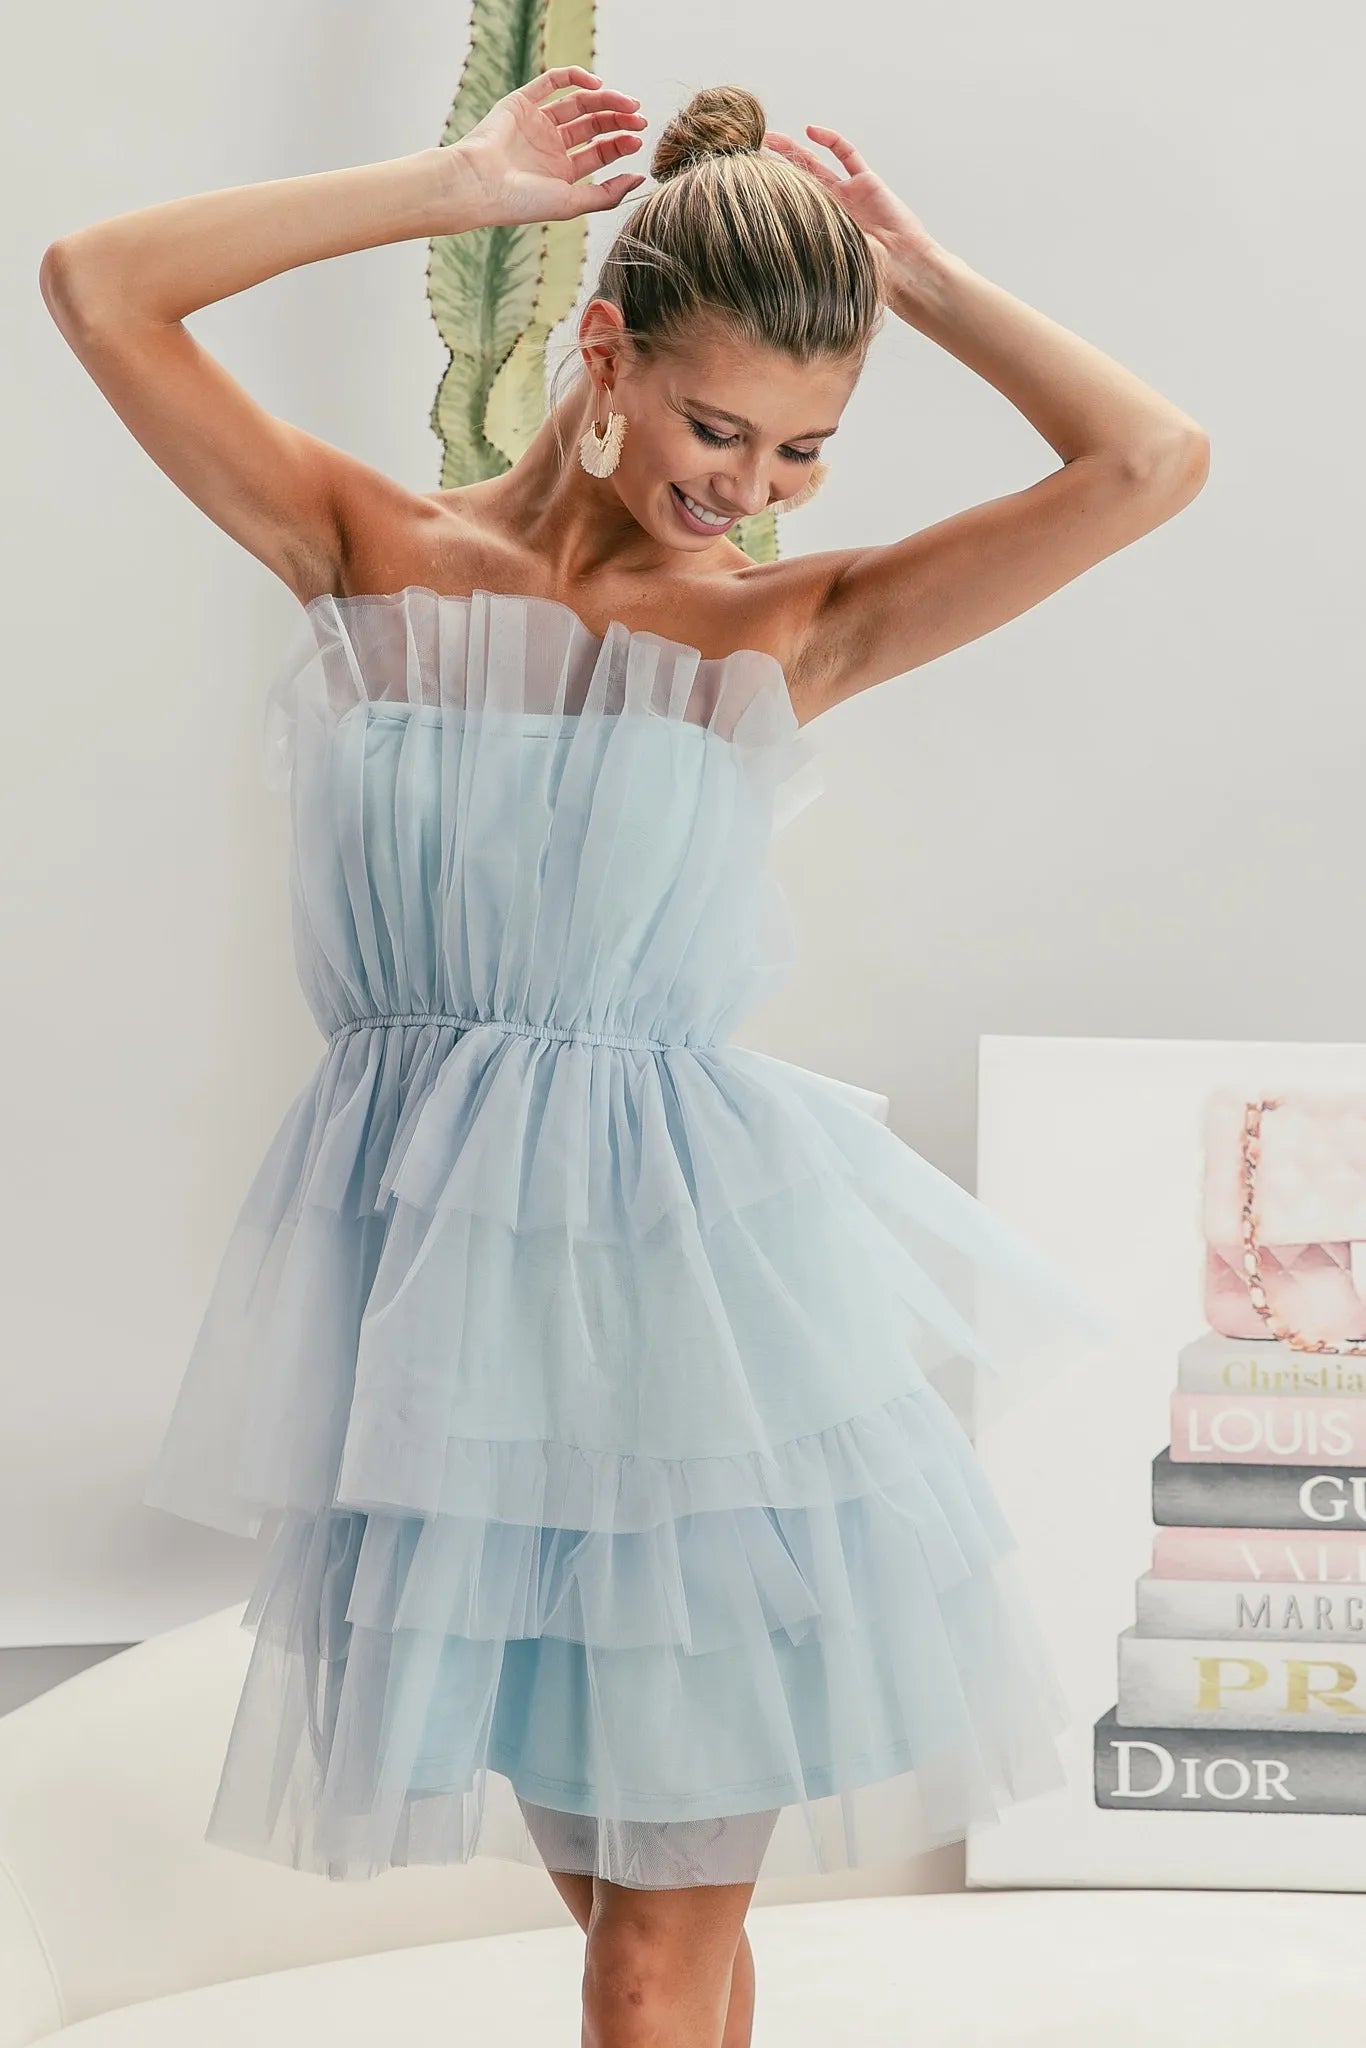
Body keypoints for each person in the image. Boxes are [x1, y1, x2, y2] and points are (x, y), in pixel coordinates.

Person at [40, 68, 1207, 2048]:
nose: (744, 486)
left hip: (691, 1343)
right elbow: (96, 284)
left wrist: (909, 276)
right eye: (713, 422)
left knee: (650, 1958)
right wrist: (453, 187)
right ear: (598, 347)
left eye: (803, 450)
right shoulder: (366, 549)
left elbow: (1146, 460)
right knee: (630, 1918)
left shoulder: (784, 626)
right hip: (429, 1348)